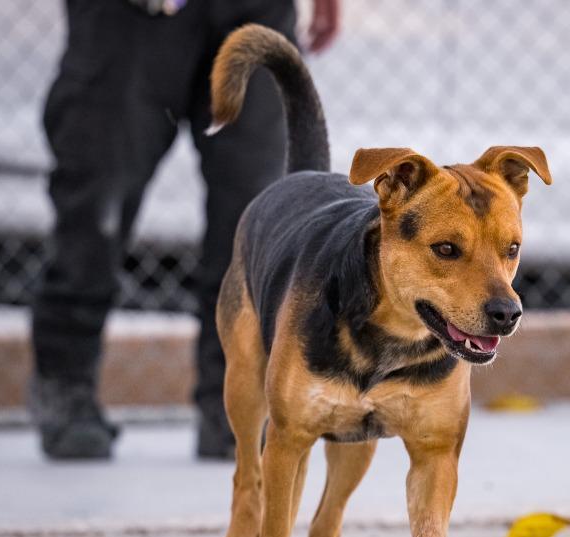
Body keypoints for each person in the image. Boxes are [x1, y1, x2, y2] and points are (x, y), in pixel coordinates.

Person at [28, 0, 340, 460]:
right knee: (98, 200)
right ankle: (65, 387)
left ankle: (233, 404)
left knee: (253, 214)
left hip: (252, 10)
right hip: (130, 19)